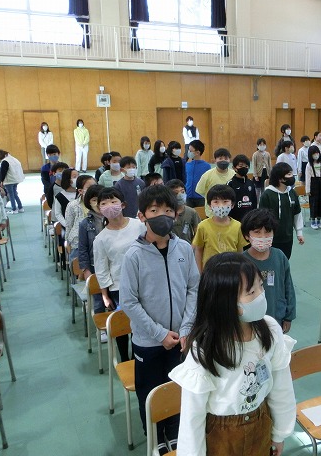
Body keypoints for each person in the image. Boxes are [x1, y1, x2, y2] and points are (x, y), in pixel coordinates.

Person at [169, 252, 296, 456]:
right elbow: (192, 415)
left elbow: (282, 386)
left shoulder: (270, 329)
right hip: (222, 434)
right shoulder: (205, 347)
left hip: (261, 422)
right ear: (226, 303)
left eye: (261, 286)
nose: (261, 295)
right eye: (251, 292)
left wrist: (280, 433)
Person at [120, 185, 199, 452]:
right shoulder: (133, 255)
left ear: (175, 214)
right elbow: (128, 301)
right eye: (154, 210)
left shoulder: (184, 249)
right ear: (142, 216)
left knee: (177, 386)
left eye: (167, 210)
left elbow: (193, 288)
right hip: (149, 342)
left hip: (180, 339)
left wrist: (186, 328)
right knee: (150, 391)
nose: (162, 216)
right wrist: (159, 333)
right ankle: (154, 437)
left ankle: (175, 432)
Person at [92, 187, 145, 361]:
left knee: (141, 325)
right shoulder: (101, 238)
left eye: (113, 201)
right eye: (104, 203)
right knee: (122, 326)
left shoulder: (138, 225)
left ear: (123, 204)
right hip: (118, 288)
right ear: (100, 209)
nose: (109, 206)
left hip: (143, 282)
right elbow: (101, 269)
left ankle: (138, 359)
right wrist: (105, 295)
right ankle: (124, 360)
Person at [241, 209, 296, 333]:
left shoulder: (279, 256)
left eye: (267, 232)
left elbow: (288, 287)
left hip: (277, 316)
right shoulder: (242, 262)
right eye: (257, 232)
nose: (263, 237)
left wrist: (289, 316)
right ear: (246, 236)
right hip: (251, 321)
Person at [192, 185, 246, 271]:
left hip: (231, 272)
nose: (221, 206)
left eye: (225, 201)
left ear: (232, 204)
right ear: (209, 205)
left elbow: (240, 251)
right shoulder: (203, 226)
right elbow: (198, 250)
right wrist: (200, 273)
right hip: (210, 272)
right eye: (216, 202)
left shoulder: (238, 226)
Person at [259, 163, 304, 259]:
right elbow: (262, 218)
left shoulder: (292, 193)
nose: (292, 177)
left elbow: (297, 213)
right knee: (272, 261)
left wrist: (299, 233)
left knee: (285, 260)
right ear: (280, 178)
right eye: (289, 174)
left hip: (288, 237)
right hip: (272, 239)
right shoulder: (267, 195)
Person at [77, 185, 105, 333]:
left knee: (114, 300)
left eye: (101, 199)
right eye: (94, 200)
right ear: (89, 202)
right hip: (95, 266)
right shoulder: (85, 224)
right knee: (98, 300)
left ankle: (115, 324)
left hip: (112, 266)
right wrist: (86, 270)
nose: (98, 203)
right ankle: (102, 330)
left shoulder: (113, 219)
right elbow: (82, 249)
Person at [195, 148, 235, 217]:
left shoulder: (234, 174)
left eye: (226, 158)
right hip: (211, 214)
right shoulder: (207, 175)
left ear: (229, 160)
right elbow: (200, 191)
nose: (223, 160)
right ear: (215, 160)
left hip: (230, 213)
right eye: (220, 158)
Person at [64, 175, 96, 259]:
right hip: (77, 243)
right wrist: (68, 242)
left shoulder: (100, 204)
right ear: (80, 191)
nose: (93, 189)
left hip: (95, 243)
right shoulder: (73, 205)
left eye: (95, 186)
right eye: (89, 187)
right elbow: (69, 225)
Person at [305, 144, 321, 230]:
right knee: (314, 203)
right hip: (313, 183)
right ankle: (313, 221)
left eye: (317, 153)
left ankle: (319, 220)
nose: (316, 155)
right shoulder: (309, 165)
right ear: (310, 155)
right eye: (314, 154)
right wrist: (307, 190)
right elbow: (307, 178)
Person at [0, 149, 25, 214]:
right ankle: (20, 208)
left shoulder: (5, 161)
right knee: (15, 194)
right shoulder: (14, 159)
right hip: (16, 179)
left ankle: (14, 209)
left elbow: (3, 173)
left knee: (11, 195)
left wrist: (1, 181)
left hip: (9, 180)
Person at [228, 155, 257, 222]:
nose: (244, 168)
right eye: (240, 166)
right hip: (234, 220)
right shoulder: (230, 184)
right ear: (234, 168)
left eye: (246, 166)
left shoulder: (251, 183)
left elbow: (254, 202)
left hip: (249, 220)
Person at [184, 140, 210, 208]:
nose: (188, 152)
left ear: (197, 152)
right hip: (188, 197)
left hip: (201, 197)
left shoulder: (206, 166)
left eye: (190, 151)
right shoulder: (187, 165)